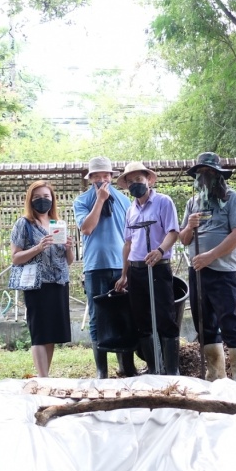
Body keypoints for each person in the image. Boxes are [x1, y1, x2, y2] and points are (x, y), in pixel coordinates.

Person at [179, 152, 236, 382]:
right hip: (198, 271)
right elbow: (184, 240)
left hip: (223, 271)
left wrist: (210, 256)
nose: (204, 176)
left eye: (209, 172)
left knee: (229, 321)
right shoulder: (192, 203)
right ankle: (215, 376)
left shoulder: (232, 199)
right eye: (200, 173)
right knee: (203, 323)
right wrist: (189, 226)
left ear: (219, 175)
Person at [73, 156, 136, 378]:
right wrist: (100, 200)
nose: (102, 180)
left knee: (124, 314)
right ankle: (102, 370)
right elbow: (87, 228)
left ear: (111, 176)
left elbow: (131, 236)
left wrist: (128, 268)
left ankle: (126, 366)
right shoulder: (82, 201)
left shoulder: (125, 201)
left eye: (106, 175)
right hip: (95, 266)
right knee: (97, 317)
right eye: (97, 176)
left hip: (121, 265)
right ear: (90, 178)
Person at [115, 161, 181, 375]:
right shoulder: (130, 210)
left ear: (149, 180)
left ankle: (171, 370)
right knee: (141, 319)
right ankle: (153, 369)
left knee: (165, 317)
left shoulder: (163, 202)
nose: (135, 184)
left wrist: (160, 250)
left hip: (158, 267)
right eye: (130, 181)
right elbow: (128, 243)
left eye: (139, 179)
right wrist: (124, 274)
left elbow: (173, 232)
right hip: (136, 270)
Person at [10, 181, 75, 376]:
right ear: (30, 200)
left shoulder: (58, 224)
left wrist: (69, 248)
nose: (42, 200)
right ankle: (42, 377)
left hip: (59, 283)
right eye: (37, 197)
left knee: (52, 333)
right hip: (36, 285)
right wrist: (38, 248)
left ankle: (45, 376)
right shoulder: (24, 224)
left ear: (52, 199)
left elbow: (68, 261)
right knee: (39, 333)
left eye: (46, 196)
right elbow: (15, 257)